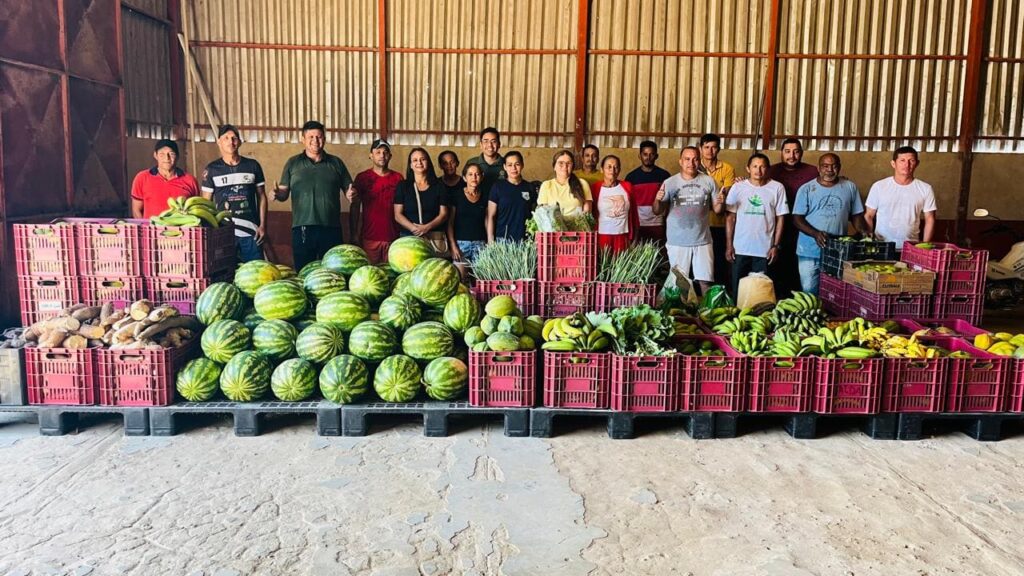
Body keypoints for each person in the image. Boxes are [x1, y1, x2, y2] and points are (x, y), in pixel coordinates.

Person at [275, 120, 355, 270]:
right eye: (310, 137)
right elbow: (283, 193)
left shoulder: (336, 163)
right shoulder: (293, 163)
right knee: (304, 271)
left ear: (324, 138)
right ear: (303, 139)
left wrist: (351, 194)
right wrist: (277, 193)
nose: (315, 140)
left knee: (333, 272)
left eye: (319, 136)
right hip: (302, 228)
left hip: (331, 228)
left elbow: (348, 189)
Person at [792, 153, 871, 294]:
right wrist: (815, 234)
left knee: (834, 293)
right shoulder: (806, 189)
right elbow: (797, 219)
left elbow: (856, 215)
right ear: (818, 168)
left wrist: (863, 231)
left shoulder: (850, 187)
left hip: (838, 251)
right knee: (810, 291)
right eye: (825, 166)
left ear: (839, 167)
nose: (829, 170)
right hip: (810, 250)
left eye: (834, 166)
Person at [653, 147, 723, 294]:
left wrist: (721, 202)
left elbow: (717, 210)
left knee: (705, 281)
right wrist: (657, 200)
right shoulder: (670, 183)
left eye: (695, 159)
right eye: (687, 159)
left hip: (703, 240)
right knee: (679, 283)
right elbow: (657, 211)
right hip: (677, 240)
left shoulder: (709, 181)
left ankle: (706, 308)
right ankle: (680, 309)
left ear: (699, 161)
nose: (691, 163)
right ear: (680, 161)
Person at [200, 125, 267, 262]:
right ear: (219, 142)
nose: (231, 142)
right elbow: (205, 204)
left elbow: (262, 196)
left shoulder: (253, 166)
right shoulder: (211, 170)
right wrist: (211, 231)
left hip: (251, 232)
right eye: (226, 138)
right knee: (224, 271)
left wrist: (262, 226)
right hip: (224, 233)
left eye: (234, 138)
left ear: (240, 142)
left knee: (255, 271)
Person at [726, 153, 789, 298]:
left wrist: (775, 246)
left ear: (768, 169)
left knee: (761, 293)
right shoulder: (738, 187)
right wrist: (729, 245)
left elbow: (781, 218)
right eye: (754, 166)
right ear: (748, 168)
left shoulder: (777, 188)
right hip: (740, 248)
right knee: (738, 291)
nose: (758, 170)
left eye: (762, 167)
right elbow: (730, 218)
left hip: (764, 250)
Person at [768, 138, 818, 299]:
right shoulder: (771, 171)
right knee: (777, 263)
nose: (792, 156)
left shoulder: (812, 172)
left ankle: (798, 299)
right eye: (787, 152)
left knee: (800, 266)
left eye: (796, 152)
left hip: (804, 227)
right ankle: (778, 299)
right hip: (777, 226)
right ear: (781, 153)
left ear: (801, 153)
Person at [865, 146, 937, 248]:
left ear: (917, 163)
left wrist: (924, 246)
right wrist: (869, 242)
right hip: (881, 246)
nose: (907, 165)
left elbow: (930, 219)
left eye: (911, 160)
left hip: (911, 246)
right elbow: (869, 215)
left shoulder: (925, 189)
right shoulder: (879, 187)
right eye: (902, 160)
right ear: (893, 164)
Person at [350, 138, 403, 264]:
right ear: (371, 156)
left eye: (385, 152)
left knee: (392, 273)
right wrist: (354, 234)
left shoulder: (398, 178)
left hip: (393, 238)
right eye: (378, 152)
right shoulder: (362, 178)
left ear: (390, 156)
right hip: (369, 238)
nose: (382, 155)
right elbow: (355, 207)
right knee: (371, 273)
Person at [393, 147, 450, 256]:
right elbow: (398, 215)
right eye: (415, 160)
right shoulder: (403, 186)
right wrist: (414, 229)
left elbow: (443, 214)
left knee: (433, 266)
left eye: (423, 159)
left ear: (428, 162)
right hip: (409, 237)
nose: (419, 162)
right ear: (410, 165)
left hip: (434, 238)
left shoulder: (439, 186)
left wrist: (426, 227)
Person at [697, 133, 736, 288]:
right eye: (706, 147)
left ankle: (720, 295)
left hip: (720, 224)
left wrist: (711, 200)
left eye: (714, 147)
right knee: (699, 264)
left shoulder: (727, 169)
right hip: (699, 225)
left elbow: (726, 197)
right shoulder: (694, 167)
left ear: (719, 149)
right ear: (700, 149)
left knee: (719, 263)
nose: (710, 151)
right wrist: (715, 199)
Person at [130, 139, 200, 220]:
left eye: (171, 154)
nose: (167, 158)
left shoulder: (190, 181)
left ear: (177, 156)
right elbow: (136, 210)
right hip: (151, 227)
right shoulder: (142, 178)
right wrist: (145, 226)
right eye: (162, 154)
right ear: (155, 155)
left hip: (181, 227)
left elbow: (195, 210)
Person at [624, 140, 672, 243]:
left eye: (651, 154)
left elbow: (669, 203)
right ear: (639, 156)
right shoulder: (631, 177)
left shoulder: (664, 176)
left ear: (656, 156)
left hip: (658, 224)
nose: (648, 157)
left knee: (659, 252)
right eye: (645, 154)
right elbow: (628, 203)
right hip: (638, 224)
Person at [591, 155, 639, 254]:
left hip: (623, 235)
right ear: (602, 169)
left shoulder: (627, 187)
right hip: (602, 236)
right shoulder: (595, 188)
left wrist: (635, 237)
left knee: (622, 262)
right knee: (603, 262)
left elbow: (634, 214)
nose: (612, 170)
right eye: (609, 167)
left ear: (619, 170)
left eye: (615, 167)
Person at [487, 151, 535, 242]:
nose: (513, 168)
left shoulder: (529, 187)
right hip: (502, 239)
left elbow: (534, 215)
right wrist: (490, 240)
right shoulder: (497, 187)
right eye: (509, 165)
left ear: (522, 165)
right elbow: (491, 216)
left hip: (525, 240)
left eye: (517, 164)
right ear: (504, 167)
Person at [447, 163, 488, 268]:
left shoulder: (486, 196)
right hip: (461, 245)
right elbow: (450, 223)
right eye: (470, 174)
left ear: (482, 177)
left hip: (480, 244)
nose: (474, 177)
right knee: (460, 276)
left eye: (477, 174)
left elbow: (487, 221)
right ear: (464, 178)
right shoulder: (456, 195)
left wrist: (488, 243)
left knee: (480, 276)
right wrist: (453, 246)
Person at [537, 150, 593, 217]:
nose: (565, 166)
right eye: (561, 163)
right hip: (554, 223)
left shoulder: (582, 183)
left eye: (568, 163)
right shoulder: (546, 185)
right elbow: (543, 213)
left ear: (572, 166)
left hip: (577, 223)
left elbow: (587, 213)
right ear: (554, 166)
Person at [464, 127, 506, 195]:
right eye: (486, 141)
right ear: (481, 145)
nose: (490, 145)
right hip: (477, 200)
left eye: (493, 141)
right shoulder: (472, 163)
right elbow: (465, 187)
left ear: (499, 144)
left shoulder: (507, 164)